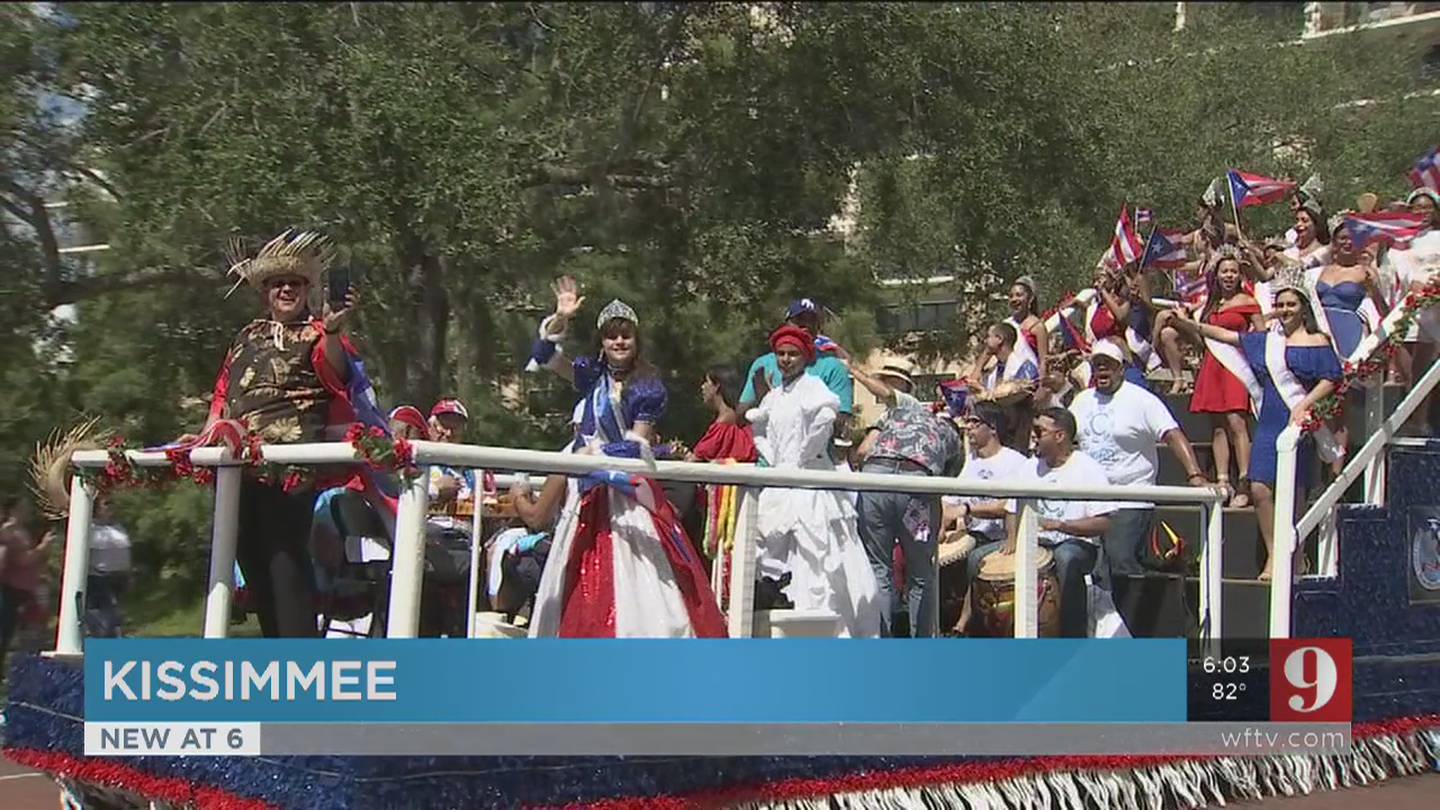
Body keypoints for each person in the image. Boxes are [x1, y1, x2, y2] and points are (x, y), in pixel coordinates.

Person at [182, 230, 367, 638]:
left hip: (292, 465)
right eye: (277, 284)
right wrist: (204, 437)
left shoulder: (320, 333)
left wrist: (334, 330)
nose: (286, 289)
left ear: (306, 290)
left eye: (295, 283)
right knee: (251, 561)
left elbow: (336, 375)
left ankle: (300, 666)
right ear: (265, 292)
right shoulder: (247, 335)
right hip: (241, 465)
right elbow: (223, 393)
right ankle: (276, 668)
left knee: (285, 564)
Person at [526, 276, 726, 637]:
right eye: (611, 335)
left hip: (628, 494)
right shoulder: (591, 376)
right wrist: (561, 317)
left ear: (636, 341)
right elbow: (543, 355)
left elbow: (637, 446)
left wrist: (593, 453)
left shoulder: (648, 386)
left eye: (626, 335)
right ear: (601, 342)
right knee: (578, 569)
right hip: (588, 493)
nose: (619, 341)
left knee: (644, 581)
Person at [1169, 268, 1343, 580]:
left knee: (1296, 493)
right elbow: (1226, 336)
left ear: (1303, 307)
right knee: (1261, 489)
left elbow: (1332, 377)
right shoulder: (1266, 342)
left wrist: (1305, 404)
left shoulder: (1317, 341)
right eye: (1281, 304)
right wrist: (1186, 323)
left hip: (1298, 423)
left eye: (1292, 304)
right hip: (1269, 422)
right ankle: (1275, 553)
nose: (1286, 310)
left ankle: (1297, 555)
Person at [746, 325, 882, 637]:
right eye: (781, 354)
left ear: (805, 357)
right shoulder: (776, 395)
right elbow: (759, 427)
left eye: (792, 354)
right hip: (781, 482)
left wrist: (804, 455)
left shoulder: (814, 387)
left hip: (809, 483)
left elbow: (825, 418)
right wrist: (776, 457)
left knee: (819, 555)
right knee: (769, 551)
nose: (785, 360)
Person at [1069, 341, 1209, 585]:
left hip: (1130, 497)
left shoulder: (1142, 400)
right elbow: (1063, 437)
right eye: (1097, 364)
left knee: (1121, 564)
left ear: (1121, 369)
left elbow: (1172, 435)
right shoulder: (1081, 401)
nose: (1102, 369)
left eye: (1108, 365)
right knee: (1088, 568)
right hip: (1088, 498)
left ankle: (1135, 619)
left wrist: (1194, 474)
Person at [972, 409, 1117, 638]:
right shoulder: (1029, 467)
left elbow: (1103, 523)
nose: (1033, 436)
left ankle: (1071, 637)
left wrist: (1061, 525)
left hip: (1077, 544)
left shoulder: (1089, 469)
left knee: (1065, 558)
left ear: (1059, 436)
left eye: (1039, 431)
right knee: (977, 558)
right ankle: (982, 634)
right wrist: (1012, 539)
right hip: (1034, 542)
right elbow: (1012, 508)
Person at [854, 367, 963, 637]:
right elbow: (947, 480)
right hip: (917, 484)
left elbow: (864, 450)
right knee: (921, 572)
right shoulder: (951, 436)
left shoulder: (897, 414)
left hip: (874, 479)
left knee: (879, 567)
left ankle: (879, 640)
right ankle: (921, 644)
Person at [1189, 247, 1265, 508]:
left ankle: (1244, 480)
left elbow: (1261, 335)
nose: (1229, 276)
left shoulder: (1247, 301)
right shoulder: (1210, 304)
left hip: (1235, 366)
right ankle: (1223, 480)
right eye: (1225, 271)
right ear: (1217, 275)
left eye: (1233, 271)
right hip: (1213, 367)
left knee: (1237, 423)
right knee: (1218, 425)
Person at [945, 402, 1030, 636]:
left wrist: (966, 509)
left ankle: (964, 624)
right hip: (973, 533)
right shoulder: (970, 463)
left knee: (974, 559)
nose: (968, 428)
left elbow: (1007, 506)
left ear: (992, 428)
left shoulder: (1014, 462)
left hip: (1001, 537)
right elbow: (949, 500)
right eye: (967, 423)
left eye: (975, 422)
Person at [738, 298, 854, 457]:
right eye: (799, 320)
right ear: (786, 324)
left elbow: (841, 420)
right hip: (770, 460)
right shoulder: (762, 365)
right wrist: (763, 399)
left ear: (818, 327)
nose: (805, 325)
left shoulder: (834, 367)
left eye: (811, 321)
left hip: (815, 462)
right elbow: (741, 417)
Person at [1385, 187, 1440, 434]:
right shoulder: (1402, 242)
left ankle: (1424, 420)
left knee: (1428, 370)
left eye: (1428, 207)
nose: (1423, 212)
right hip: (1410, 309)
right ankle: (1412, 420)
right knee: (1409, 375)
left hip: (1435, 308)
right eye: (1418, 208)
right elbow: (1395, 273)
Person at [0, 500, 52, 678]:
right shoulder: (8, 531)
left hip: (24, 592)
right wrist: (43, 547)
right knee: (4, 639)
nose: (27, 511)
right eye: (23, 507)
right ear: (13, 510)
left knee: (27, 638)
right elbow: (22, 560)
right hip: (10, 592)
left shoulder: (22, 532)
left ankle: (24, 676)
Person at [686, 367, 757, 464]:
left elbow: (696, 458)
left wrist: (682, 453)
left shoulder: (722, 426)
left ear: (717, 387)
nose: (703, 387)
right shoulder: (742, 421)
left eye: (706, 382)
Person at [86, 500, 132, 639]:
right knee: (105, 616)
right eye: (106, 504)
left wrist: (129, 575)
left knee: (115, 616)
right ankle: (102, 644)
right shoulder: (90, 529)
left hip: (118, 578)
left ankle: (112, 642)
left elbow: (125, 552)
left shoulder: (117, 527)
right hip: (98, 578)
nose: (111, 507)